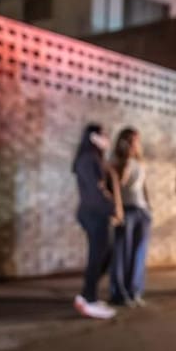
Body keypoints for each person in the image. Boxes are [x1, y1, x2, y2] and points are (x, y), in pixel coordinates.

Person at [71, 123, 121, 319]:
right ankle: (88, 299)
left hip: (99, 213)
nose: (108, 139)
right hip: (93, 213)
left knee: (106, 255)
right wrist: (112, 209)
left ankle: (87, 295)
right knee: (98, 256)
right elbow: (96, 190)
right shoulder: (87, 159)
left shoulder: (97, 159)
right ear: (93, 137)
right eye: (104, 136)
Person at [109, 127, 152, 306]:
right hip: (126, 210)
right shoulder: (116, 162)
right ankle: (120, 293)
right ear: (124, 142)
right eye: (133, 140)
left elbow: (143, 187)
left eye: (137, 140)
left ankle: (135, 291)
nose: (137, 144)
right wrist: (125, 164)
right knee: (122, 252)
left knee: (139, 253)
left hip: (141, 211)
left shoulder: (141, 162)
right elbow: (117, 186)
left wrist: (149, 208)